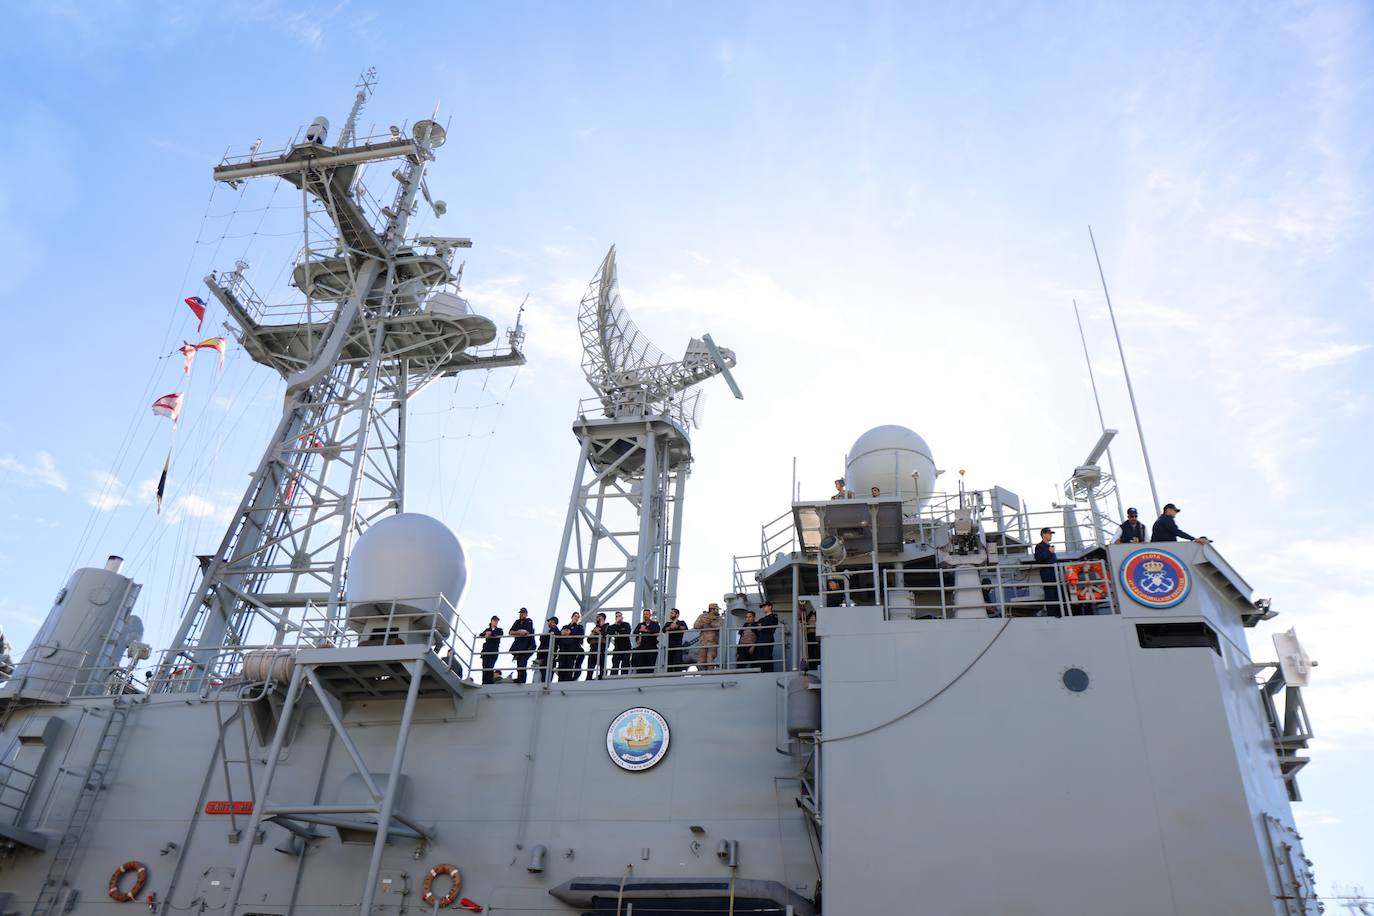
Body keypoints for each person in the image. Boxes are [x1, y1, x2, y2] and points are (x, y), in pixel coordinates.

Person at [1033, 527, 1061, 617]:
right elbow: (1038, 559)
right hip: (1046, 572)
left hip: (1054, 572)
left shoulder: (1049, 547)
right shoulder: (1039, 546)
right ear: (1043, 534)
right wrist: (1049, 552)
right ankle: (1052, 614)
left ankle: (1058, 613)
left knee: (1056, 592)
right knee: (1050, 593)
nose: (1051, 535)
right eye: (1049, 533)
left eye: (1051, 534)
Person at [508, 607, 535, 683]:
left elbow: (526, 632)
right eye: (521, 613)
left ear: (526, 614)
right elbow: (510, 632)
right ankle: (520, 679)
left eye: (523, 613)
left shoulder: (529, 621)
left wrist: (517, 632)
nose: (521, 614)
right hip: (519, 647)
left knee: (522, 662)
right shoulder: (517, 622)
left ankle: (522, 680)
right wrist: (519, 632)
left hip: (528, 646)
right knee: (519, 663)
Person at [557, 612, 585, 681]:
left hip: (572, 650)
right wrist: (568, 633)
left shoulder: (579, 627)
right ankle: (560, 681)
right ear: (572, 617)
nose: (576, 618)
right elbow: (560, 634)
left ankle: (567, 682)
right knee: (561, 666)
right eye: (575, 616)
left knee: (569, 666)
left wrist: (569, 633)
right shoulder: (565, 626)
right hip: (563, 649)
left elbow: (580, 636)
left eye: (578, 617)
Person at [693, 604, 722, 670]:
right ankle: (703, 676)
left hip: (713, 642)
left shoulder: (719, 618)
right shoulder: (702, 616)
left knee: (710, 658)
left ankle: (710, 674)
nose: (718, 611)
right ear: (712, 609)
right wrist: (703, 622)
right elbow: (695, 626)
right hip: (703, 642)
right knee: (701, 661)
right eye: (717, 609)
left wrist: (710, 623)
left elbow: (720, 626)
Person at [754, 601, 780, 673]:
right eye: (762, 607)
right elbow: (756, 627)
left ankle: (768, 674)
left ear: (770, 607)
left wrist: (760, 626)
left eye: (764, 606)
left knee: (767, 659)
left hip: (767, 640)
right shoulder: (762, 619)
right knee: (760, 661)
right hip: (760, 641)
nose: (763, 608)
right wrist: (760, 626)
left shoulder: (773, 617)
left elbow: (763, 625)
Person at [633, 608, 661, 674]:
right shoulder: (640, 624)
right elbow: (635, 632)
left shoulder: (655, 624)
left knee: (650, 665)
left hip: (651, 646)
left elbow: (656, 630)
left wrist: (645, 630)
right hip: (642, 647)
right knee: (640, 664)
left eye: (647, 614)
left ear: (650, 615)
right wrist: (642, 630)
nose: (645, 615)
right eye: (644, 614)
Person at [479, 616, 503, 685]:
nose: (496, 622)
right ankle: (484, 682)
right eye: (495, 620)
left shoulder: (499, 630)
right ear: (491, 621)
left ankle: (489, 682)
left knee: (490, 666)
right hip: (486, 651)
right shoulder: (487, 629)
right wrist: (486, 633)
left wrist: (491, 634)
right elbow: (481, 634)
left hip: (493, 651)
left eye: (497, 621)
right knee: (484, 667)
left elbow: (499, 634)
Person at [607, 611, 633, 676]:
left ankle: (624, 678)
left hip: (626, 648)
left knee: (625, 665)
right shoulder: (612, 626)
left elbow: (627, 632)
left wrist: (618, 632)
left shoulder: (626, 624)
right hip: (617, 649)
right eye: (617, 616)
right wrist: (616, 624)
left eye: (619, 616)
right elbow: (609, 632)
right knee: (615, 665)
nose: (618, 617)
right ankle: (613, 678)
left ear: (622, 617)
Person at [663, 608, 689, 672]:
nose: (670, 614)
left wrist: (677, 626)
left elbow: (685, 628)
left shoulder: (681, 622)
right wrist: (670, 627)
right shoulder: (668, 623)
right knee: (669, 663)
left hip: (678, 646)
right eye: (670, 613)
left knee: (678, 662)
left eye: (672, 613)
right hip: (669, 646)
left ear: (677, 615)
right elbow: (663, 630)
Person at [537, 616, 559, 683]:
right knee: (545, 672)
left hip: (548, 654)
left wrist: (542, 637)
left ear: (552, 621)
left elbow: (545, 641)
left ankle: (546, 684)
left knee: (546, 672)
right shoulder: (553, 630)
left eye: (549, 621)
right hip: (547, 654)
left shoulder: (554, 630)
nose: (548, 623)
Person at [586, 612, 609, 679]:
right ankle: (588, 679)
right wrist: (594, 632)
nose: (597, 619)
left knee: (602, 665)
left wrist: (598, 632)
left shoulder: (607, 626)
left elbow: (606, 637)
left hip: (602, 648)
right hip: (593, 648)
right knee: (590, 666)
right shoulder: (595, 627)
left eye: (599, 617)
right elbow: (588, 640)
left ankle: (602, 678)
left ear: (602, 618)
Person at [802, 603, 820, 670]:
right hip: (810, 635)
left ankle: (815, 666)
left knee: (816, 653)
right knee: (811, 652)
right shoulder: (810, 615)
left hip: (816, 635)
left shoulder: (818, 615)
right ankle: (812, 666)